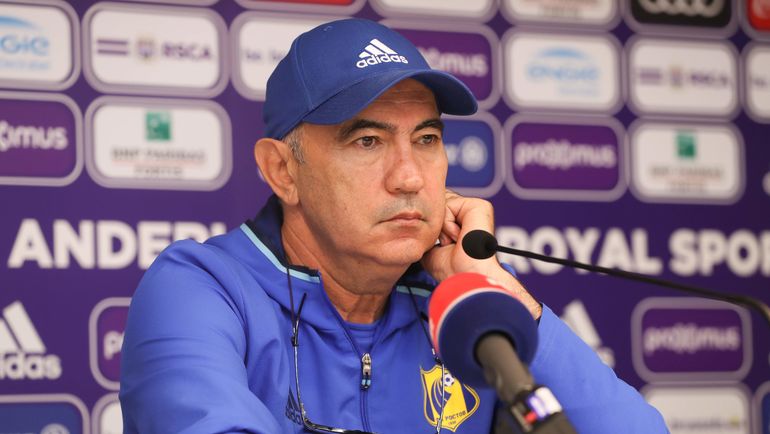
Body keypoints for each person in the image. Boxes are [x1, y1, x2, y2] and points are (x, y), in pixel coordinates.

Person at [120, 18, 669, 433]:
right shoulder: (202, 287)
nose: (408, 177)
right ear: (283, 171)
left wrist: (494, 290)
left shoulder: (462, 313)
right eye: (368, 141)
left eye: (426, 139)